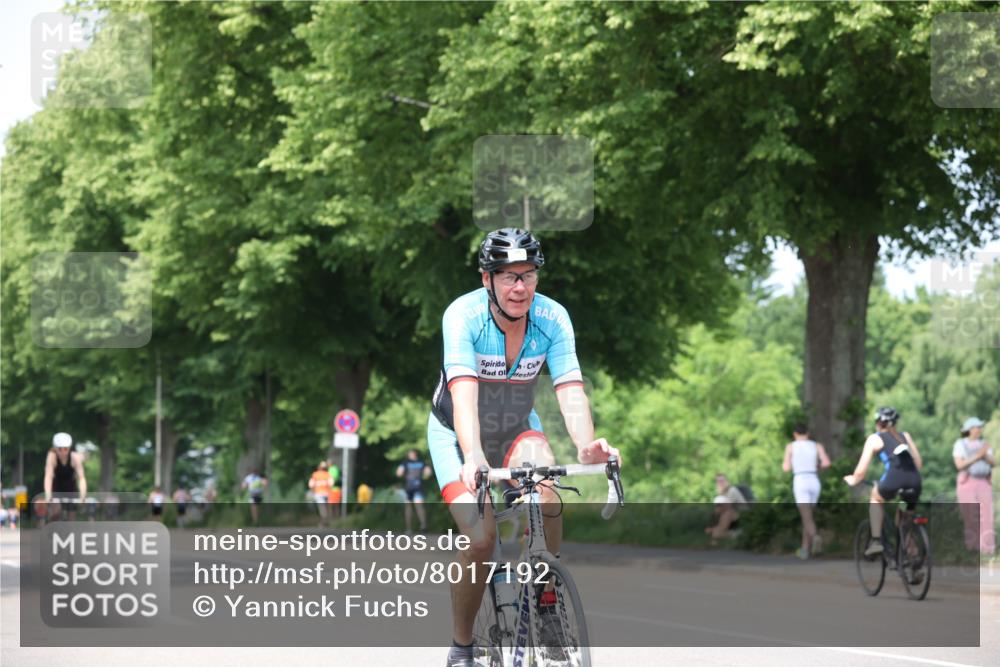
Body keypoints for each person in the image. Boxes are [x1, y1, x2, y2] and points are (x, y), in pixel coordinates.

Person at [427, 228, 620, 667]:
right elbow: (463, 395)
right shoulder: (463, 315)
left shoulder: (552, 318)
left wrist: (587, 446)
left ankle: (546, 596)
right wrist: (473, 455)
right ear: (486, 279)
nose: (520, 287)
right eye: (508, 276)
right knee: (480, 538)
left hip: (516, 429)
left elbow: (570, 390)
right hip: (456, 435)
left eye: (529, 275)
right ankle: (462, 647)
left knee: (546, 490)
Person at [844, 407, 924, 558]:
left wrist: (853, 480)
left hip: (894, 480)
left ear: (878, 422)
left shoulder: (875, 438)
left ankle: (875, 541)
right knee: (905, 515)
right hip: (914, 481)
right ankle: (913, 557)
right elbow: (918, 464)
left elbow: (860, 471)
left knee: (875, 498)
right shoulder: (905, 436)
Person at [782, 424, 832, 559]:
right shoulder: (816, 445)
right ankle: (805, 549)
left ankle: (815, 537)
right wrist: (816, 465)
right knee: (808, 516)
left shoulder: (791, 446)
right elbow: (826, 463)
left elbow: (786, 467)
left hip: (800, 480)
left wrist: (794, 463)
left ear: (795, 434)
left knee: (806, 517)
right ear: (808, 433)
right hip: (814, 479)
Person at [953, 417, 995, 555]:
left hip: (983, 482)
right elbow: (960, 465)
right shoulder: (960, 444)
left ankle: (987, 549)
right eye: (977, 427)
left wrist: (984, 455)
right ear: (970, 430)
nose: (980, 429)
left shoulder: (984, 443)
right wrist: (978, 455)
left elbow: (992, 462)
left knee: (987, 516)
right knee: (970, 516)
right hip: (967, 482)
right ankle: (972, 549)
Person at [43, 432, 87, 521]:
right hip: (57, 488)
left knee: (72, 517)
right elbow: (48, 477)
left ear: (69, 448)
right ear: (55, 448)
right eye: (60, 449)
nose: (63, 451)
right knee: (55, 512)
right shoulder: (52, 456)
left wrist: (82, 496)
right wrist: (48, 495)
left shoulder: (75, 458)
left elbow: (81, 478)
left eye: (66, 449)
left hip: (70, 488)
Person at [397, 448, 432, 533]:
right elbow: (399, 473)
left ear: (415, 454)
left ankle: (423, 525)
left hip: (418, 487)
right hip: (408, 488)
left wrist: (427, 473)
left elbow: (428, 472)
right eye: (410, 453)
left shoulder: (422, 462)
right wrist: (400, 472)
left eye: (412, 453)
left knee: (418, 504)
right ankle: (409, 528)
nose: (411, 455)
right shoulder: (405, 463)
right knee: (408, 507)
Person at [705, 473, 747, 541]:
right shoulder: (722, 494)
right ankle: (727, 532)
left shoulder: (732, 491)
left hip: (740, 517)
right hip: (731, 518)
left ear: (727, 481)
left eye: (722, 481)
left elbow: (726, 509)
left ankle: (736, 534)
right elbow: (718, 511)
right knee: (718, 514)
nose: (720, 483)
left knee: (726, 513)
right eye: (718, 481)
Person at [309, 461, 333, 527]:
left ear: (319, 467)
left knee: (322, 508)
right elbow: (331, 484)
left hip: (318, 493)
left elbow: (311, 485)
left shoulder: (315, 474)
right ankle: (328, 521)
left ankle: (324, 522)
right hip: (327, 493)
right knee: (327, 507)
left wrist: (313, 491)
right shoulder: (327, 474)